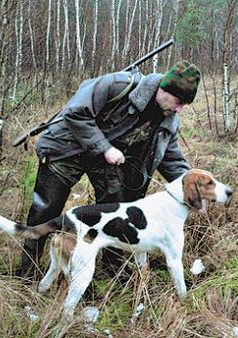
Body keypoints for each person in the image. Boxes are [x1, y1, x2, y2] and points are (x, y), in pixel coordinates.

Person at [19, 60, 201, 278]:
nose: (179, 109)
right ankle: (27, 273)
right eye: (178, 101)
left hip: (103, 161)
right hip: (66, 148)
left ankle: (111, 272)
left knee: (116, 211)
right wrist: (104, 148)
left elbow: (171, 159)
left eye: (184, 105)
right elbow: (76, 112)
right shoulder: (117, 85)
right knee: (45, 210)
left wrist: (197, 188)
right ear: (163, 89)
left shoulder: (168, 120)